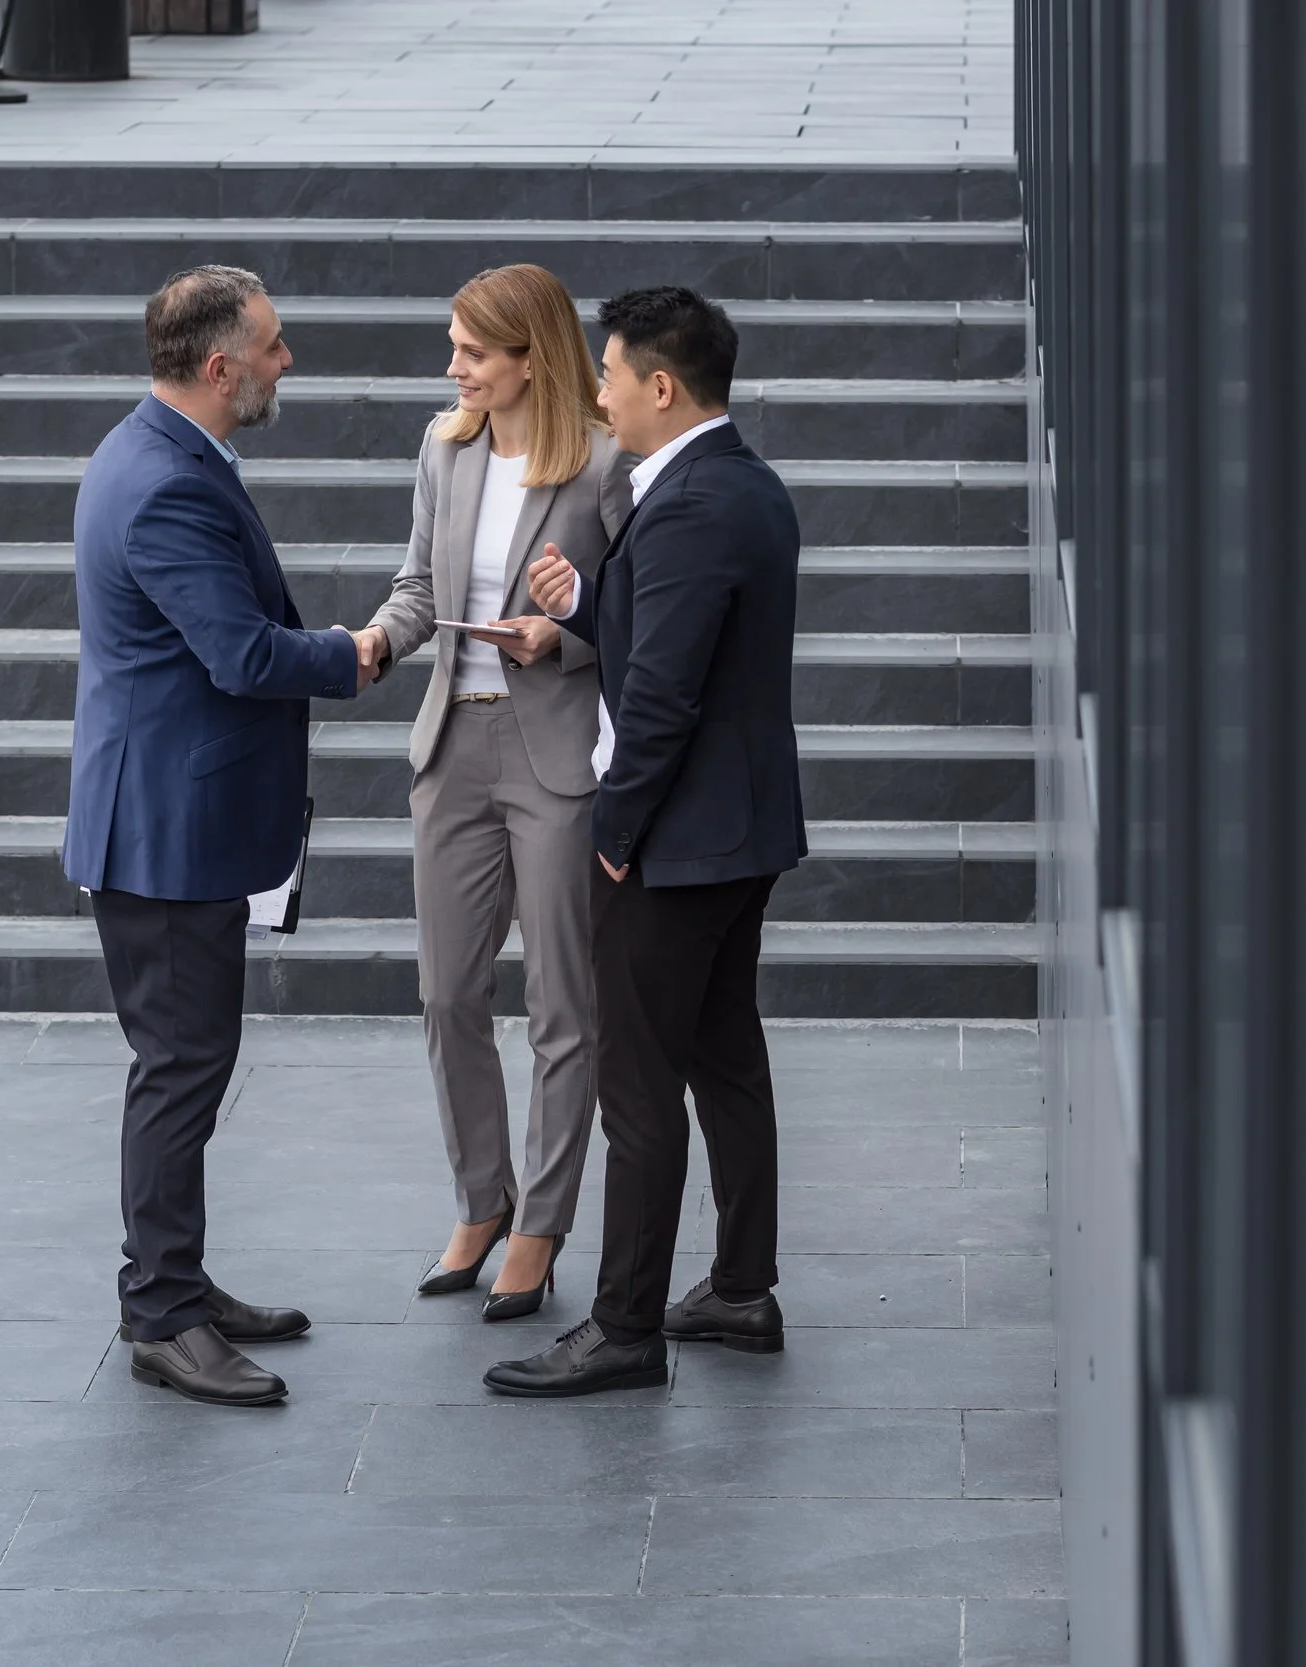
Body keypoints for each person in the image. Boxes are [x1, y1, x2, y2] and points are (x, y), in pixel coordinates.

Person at [486, 286, 806, 1398]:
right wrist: (580, 611)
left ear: (661, 386)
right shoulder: (736, 485)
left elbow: (662, 700)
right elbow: (671, 643)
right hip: (735, 830)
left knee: (635, 1081)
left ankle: (624, 1325)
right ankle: (740, 1284)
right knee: (722, 1053)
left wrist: (613, 837)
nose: (603, 395)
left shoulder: (687, 505)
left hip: (674, 843)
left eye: (612, 375)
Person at [62, 265, 369, 1407]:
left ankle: (178, 1282)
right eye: (275, 346)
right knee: (180, 1070)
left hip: (164, 819)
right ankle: (160, 1315)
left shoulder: (153, 453)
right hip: (164, 834)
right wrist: (356, 651)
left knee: (188, 1064)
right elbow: (240, 654)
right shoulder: (165, 485)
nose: (287, 363)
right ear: (219, 365)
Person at [352, 266, 636, 1320]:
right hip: (452, 745)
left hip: (553, 750)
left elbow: (630, 618)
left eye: (473, 351)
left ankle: (540, 1225)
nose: (454, 368)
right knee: (446, 994)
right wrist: (384, 636)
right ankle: (482, 1196)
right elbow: (421, 585)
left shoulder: (602, 465)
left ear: (529, 356)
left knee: (563, 1004)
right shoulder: (445, 446)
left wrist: (561, 636)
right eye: (455, 348)